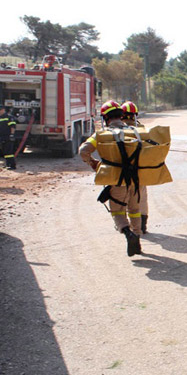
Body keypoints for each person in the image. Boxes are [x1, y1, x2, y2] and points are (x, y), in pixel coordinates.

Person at [79, 100, 142, 257]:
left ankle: (128, 234)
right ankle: (137, 240)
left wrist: (93, 163)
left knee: (117, 211)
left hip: (116, 181)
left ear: (106, 118)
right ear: (121, 116)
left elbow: (83, 150)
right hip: (136, 180)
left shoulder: (101, 134)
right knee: (134, 210)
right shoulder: (134, 131)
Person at [121, 101, 150, 234]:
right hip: (140, 170)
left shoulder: (117, 130)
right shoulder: (141, 130)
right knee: (141, 197)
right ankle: (142, 225)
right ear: (135, 115)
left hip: (121, 170)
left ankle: (125, 226)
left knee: (123, 198)